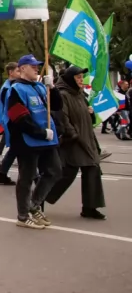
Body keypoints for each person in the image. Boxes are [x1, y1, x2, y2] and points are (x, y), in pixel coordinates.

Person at [4, 54, 62, 229]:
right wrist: (41, 133)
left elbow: (57, 106)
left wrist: (53, 87)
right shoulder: (16, 89)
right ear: (22, 68)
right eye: (33, 66)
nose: (37, 69)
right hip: (28, 141)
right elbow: (18, 118)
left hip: (47, 140)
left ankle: (34, 205)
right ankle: (22, 216)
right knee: (27, 178)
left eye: (37, 66)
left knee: (55, 171)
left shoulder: (40, 86)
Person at [46, 66, 106, 220]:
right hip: (72, 141)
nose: (81, 80)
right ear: (70, 79)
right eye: (78, 77)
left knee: (92, 169)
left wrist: (91, 113)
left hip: (87, 139)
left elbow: (87, 118)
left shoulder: (80, 94)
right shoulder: (63, 95)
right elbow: (62, 117)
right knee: (67, 174)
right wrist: (72, 134)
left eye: (81, 77)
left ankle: (90, 207)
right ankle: (38, 197)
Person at [0, 62, 20, 185]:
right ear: (11, 72)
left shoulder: (10, 85)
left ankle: (2, 172)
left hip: (11, 120)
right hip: (11, 120)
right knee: (17, 147)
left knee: (15, 148)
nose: (20, 73)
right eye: (18, 71)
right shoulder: (7, 88)